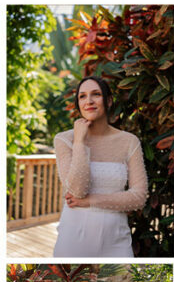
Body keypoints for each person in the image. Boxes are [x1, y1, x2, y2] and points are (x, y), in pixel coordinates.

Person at [53, 76, 148, 258]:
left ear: (109, 100)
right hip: (73, 239)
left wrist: (89, 201)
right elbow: (77, 190)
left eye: (96, 94)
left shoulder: (129, 142)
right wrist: (80, 141)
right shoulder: (64, 140)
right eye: (82, 96)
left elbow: (138, 197)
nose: (88, 101)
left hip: (117, 241)